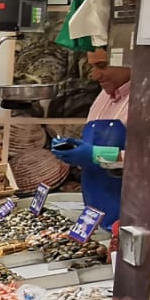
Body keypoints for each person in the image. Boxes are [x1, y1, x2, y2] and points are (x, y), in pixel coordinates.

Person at [52, 48, 130, 222]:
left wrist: (95, 155)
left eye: (102, 66)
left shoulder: (145, 100)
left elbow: (149, 162)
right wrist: (74, 150)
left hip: (126, 213)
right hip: (94, 209)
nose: (95, 75)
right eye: (92, 67)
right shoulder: (103, 96)